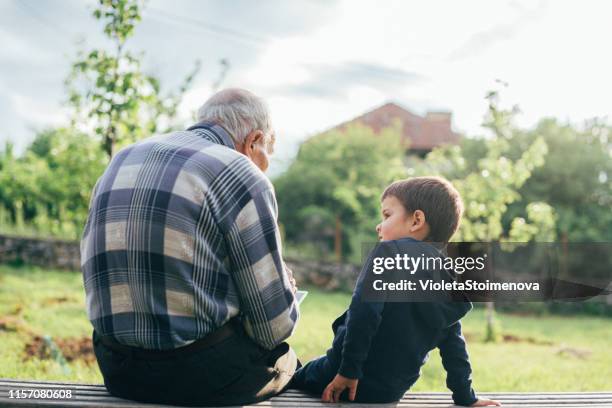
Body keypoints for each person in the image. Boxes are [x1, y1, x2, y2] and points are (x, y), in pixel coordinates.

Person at [81, 88, 299, 406]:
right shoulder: (242, 173)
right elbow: (273, 329)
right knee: (288, 363)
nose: (265, 165)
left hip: (117, 368)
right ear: (254, 140)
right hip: (197, 375)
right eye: (269, 151)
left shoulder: (123, 158)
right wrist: (287, 293)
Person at [291, 177, 501, 407]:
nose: (378, 226)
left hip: (343, 378)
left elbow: (364, 313)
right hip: (389, 392)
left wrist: (349, 371)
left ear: (416, 220)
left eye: (387, 215)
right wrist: (465, 397)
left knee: (291, 371)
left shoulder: (388, 252)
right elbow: (454, 343)